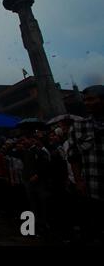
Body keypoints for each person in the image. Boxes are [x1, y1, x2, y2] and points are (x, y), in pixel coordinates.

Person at [68, 85, 104, 242]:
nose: (87, 103)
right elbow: (73, 157)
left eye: (91, 99)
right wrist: (79, 181)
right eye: (85, 100)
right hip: (91, 189)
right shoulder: (79, 127)